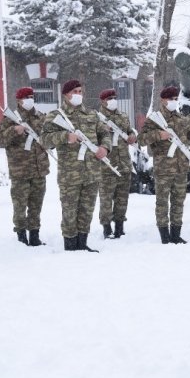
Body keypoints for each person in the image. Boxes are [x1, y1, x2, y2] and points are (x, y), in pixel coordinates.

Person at [40, 79, 111, 252]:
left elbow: (104, 133)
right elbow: (44, 141)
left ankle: (82, 243)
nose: (78, 94)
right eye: (75, 91)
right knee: (70, 212)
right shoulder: (56, 116)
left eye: (80, 91)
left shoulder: (92, 114)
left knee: (87, 210)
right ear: (66, 94)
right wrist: (65, 137)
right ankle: (70, 246)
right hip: (70, 175)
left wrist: (105, 148)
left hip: (92, 171)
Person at [138, 86, 190, 244]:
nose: (173, 101)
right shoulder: (155, 118)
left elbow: (189, 137)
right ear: (162, 100)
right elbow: (141, 139)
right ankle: (164, 236)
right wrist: (159, 134)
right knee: (162, 202)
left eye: (175, 99)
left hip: (180, 167)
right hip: (164, 167)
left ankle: (176, 234)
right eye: (170, 99)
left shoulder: (180, 118)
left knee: (179, 201)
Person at [0, 86, 50, 246]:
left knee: (36, 205)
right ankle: (21, 235)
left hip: (39, 169)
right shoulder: (10, 119)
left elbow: (48, 138)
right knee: (20, 206)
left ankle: (34, 234)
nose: (30, 99)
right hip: (20, 171)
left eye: (32, 96)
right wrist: (14, 130)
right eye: (27, 97)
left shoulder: (40, 117)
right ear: (19, 100)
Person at [96, 88, 136, 239]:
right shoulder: (96, 118)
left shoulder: (123, 116)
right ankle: (107, 228)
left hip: (124, 163)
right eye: (109, 98)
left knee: (122, 198)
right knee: (106, 199)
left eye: (114, 97)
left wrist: (132, 136)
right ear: (102, 101)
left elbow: (130, 131)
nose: (112, 100)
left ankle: (120, 226)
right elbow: (91, 140)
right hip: (107, 165)